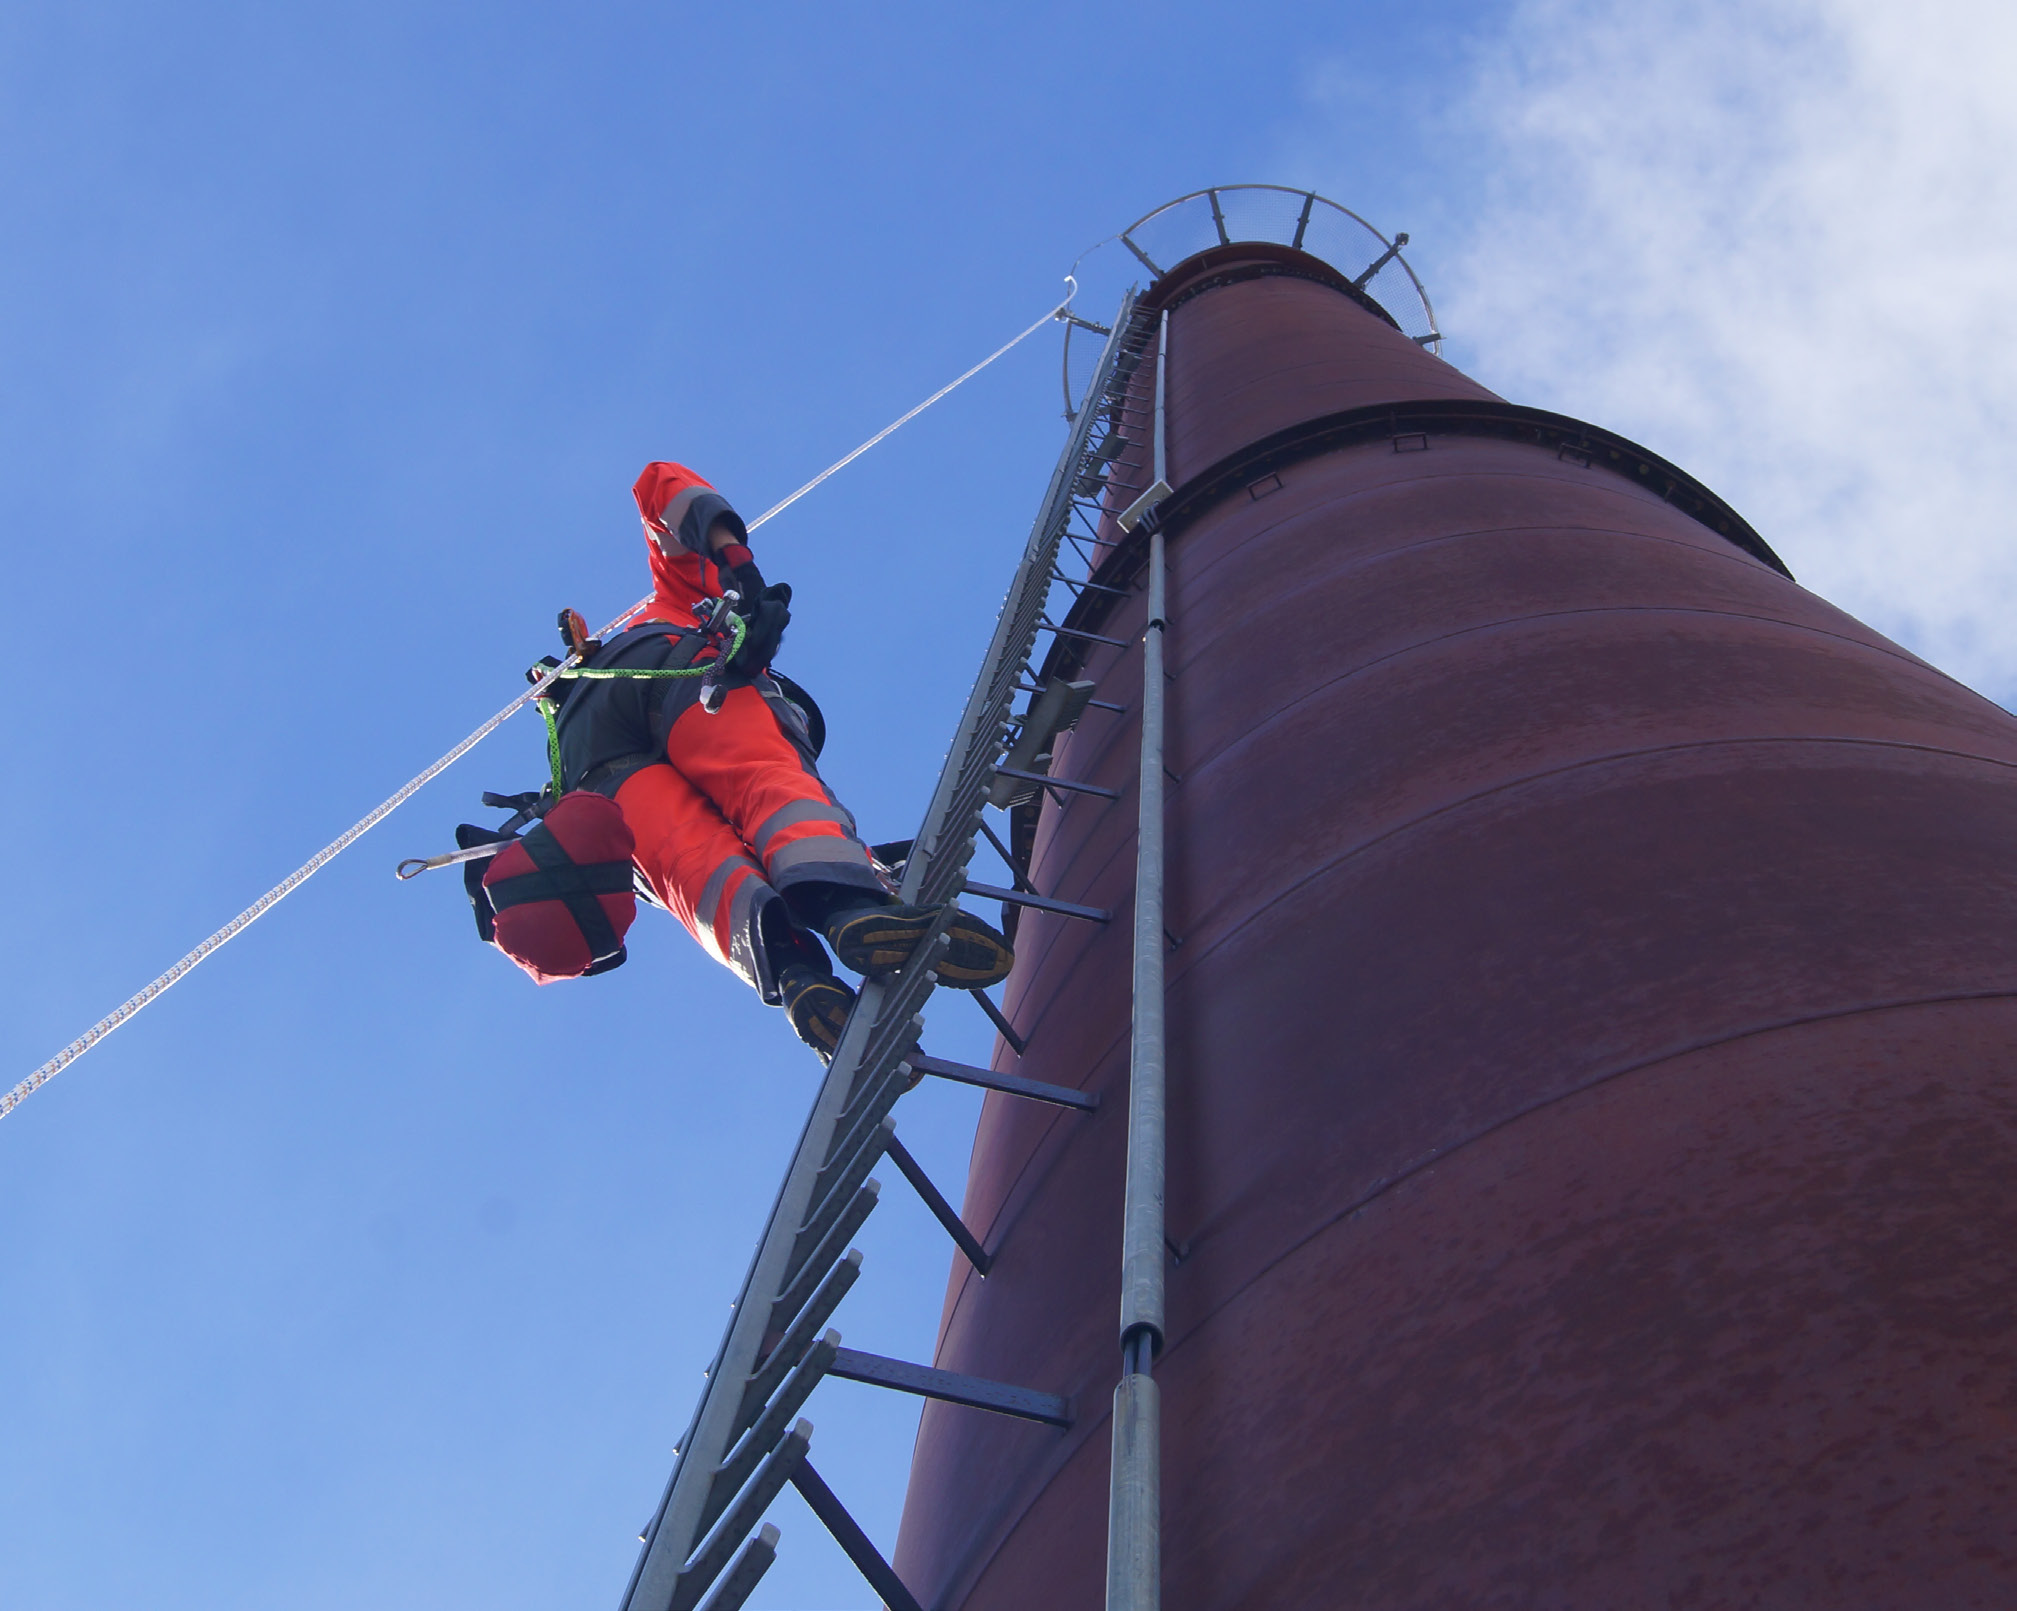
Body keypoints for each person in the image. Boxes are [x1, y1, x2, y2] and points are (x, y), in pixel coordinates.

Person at [526, 461, 1013, 1059]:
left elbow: (658, 489)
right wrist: (742, 571)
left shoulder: (569, 706)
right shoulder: (669, 606)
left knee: (691, 864)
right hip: (678, 678)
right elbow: (659, 483)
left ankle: (794, 976)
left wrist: (732, 562)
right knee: (762, 780)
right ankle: (848, 906)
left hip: (591, 774)